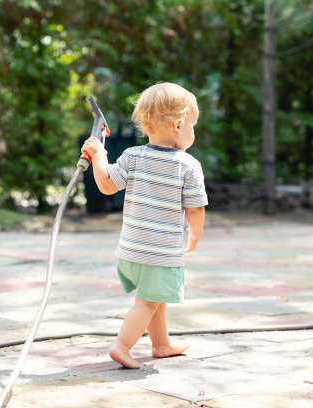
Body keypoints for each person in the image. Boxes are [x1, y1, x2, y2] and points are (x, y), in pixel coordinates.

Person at [81, 82, 208, 369]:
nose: (193, 132)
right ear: (178, 125)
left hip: (130, 252)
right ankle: (122, 345)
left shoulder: (132, 156)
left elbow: (106, 184)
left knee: (155, 297)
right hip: (159, 254)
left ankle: (161, 344)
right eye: (193, 126)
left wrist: (100, 155)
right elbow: (196, 208)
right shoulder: (187, 165)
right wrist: (195, 236)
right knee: (148, 302)